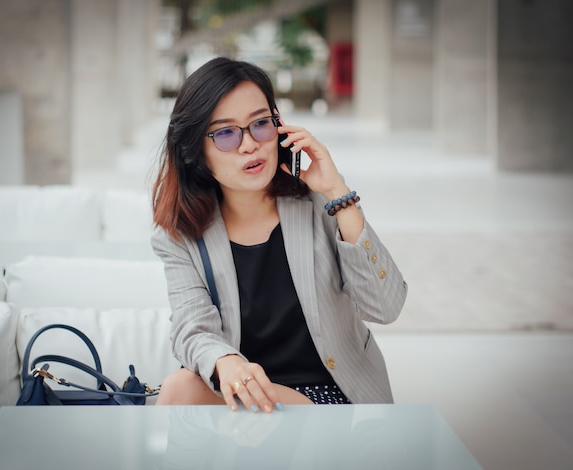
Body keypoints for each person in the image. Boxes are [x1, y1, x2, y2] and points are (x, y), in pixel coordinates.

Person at [151, 57, 407, 414]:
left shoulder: (322, 203)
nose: (249, 144)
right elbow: (192, 328)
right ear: (196, 152)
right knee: (182, 387)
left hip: (331, 395)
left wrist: (337, 190)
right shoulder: (182, 234)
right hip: (249, 393)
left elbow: (386, 307)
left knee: (182, 391)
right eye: (226, 133)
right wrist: (226, 361)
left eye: (260, 124)